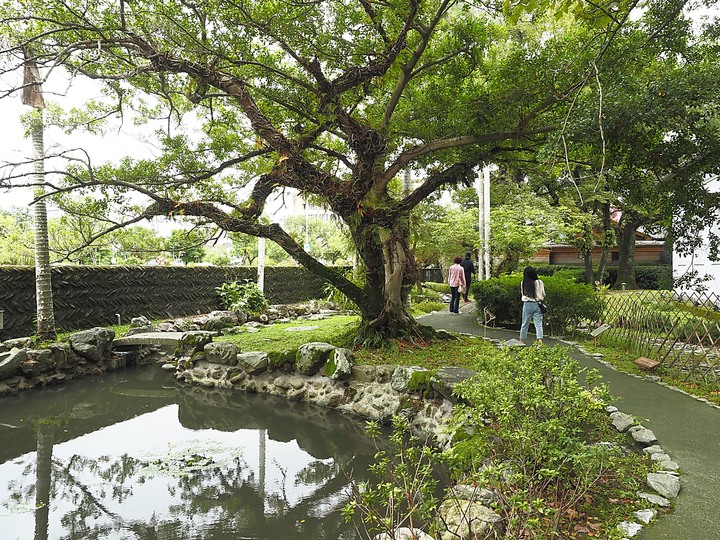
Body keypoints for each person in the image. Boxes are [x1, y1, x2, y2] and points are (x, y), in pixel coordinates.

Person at [519, 266, 545, 345]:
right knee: (538, 324)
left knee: (525, 323)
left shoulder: (523, 283)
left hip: (527, 304)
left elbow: (523, 294)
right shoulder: (540, 282)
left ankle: (521, 341)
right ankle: (540, 342)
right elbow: (543, 293)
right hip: (538, 304)